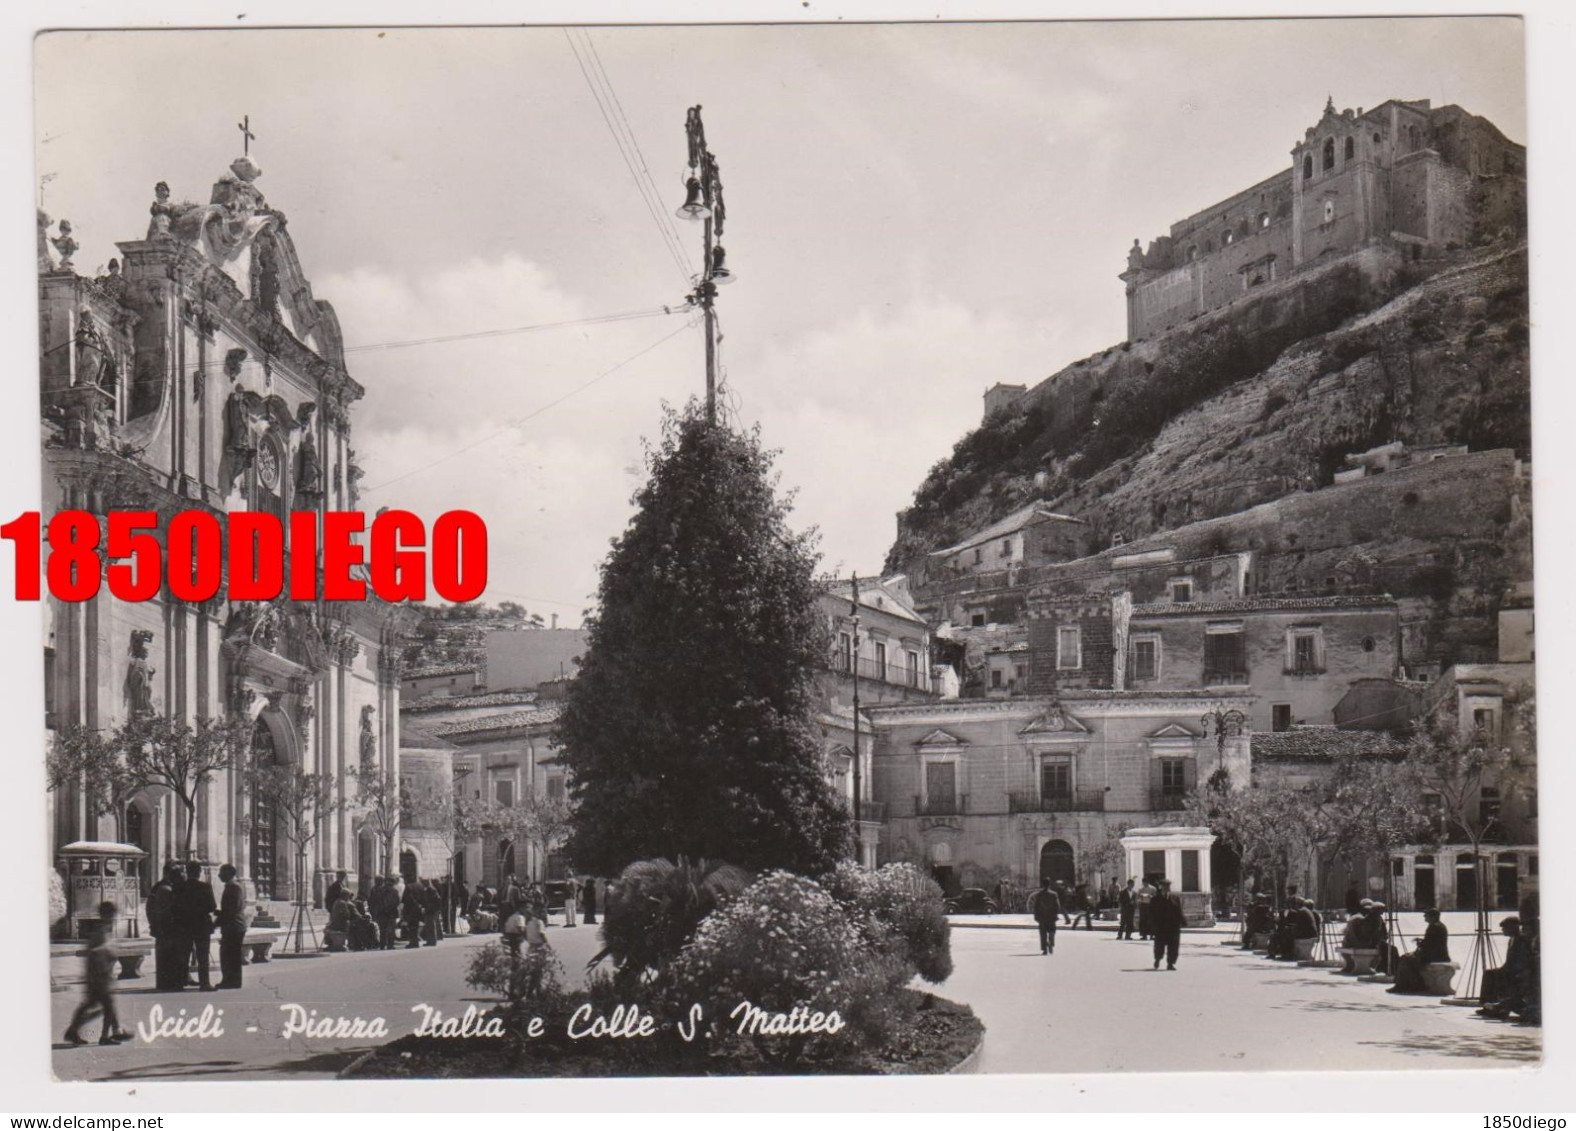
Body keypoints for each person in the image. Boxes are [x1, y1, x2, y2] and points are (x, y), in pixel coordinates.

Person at [63, 902, 130, 1046]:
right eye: (112, 914)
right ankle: (107, 1035)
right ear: (106, 915)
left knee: (96, 1005)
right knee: (107, 1004)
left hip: (101, 975)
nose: (114, 917)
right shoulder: (100, 931)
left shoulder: (105, 929)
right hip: (99, 976)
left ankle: (75, 1031)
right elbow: (95, 951)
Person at [174, 861, 217, 991]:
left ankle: (180, 982)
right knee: (203, 956)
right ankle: (205, 983)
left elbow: (175, 906)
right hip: (202, 925)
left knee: (184, 955)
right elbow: (212, 906)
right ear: (199, 872)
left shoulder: (179, 887)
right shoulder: (205, 887)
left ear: (187, 871)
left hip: (184, 925)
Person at [1478, 916, 1533, 1016]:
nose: (1503, 930)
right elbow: (1509, 961)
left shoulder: (1521, 940)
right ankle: (1486, 1005)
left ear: (1513, 927)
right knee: (1489, 974)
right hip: (1510, 970)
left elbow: (1522, 961)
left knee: (1494, 976)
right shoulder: (1511, 940)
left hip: (1517, 973)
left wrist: (1507, 971)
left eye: (1505, 928)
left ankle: (1499, 1008)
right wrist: (1502, 969)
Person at [1389, 908, 1451, 994]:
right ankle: (1406, 984)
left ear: (1433, 917)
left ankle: (1408, 984)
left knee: (1405, 959)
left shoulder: (1434, 927)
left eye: (1426, 915)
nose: (1424, 917)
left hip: (1435, 956)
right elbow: (1431, 941)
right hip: (1437, 954)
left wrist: (1420, 944)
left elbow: (1430, 944)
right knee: (1406, 958)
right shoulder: (1438, 926)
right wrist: (1421, 942)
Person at [147, 861, 183, 991]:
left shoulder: (159, 887)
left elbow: (149, 908)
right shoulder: (165, 889)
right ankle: (170, 983)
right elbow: (171, 910)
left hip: (161, 927)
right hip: (167, 928)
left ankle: (166, 982)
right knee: (168, 955)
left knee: (165, 956)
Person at [216, 864, 246, 989]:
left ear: (229, 874)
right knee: (230, 954)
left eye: (221, 872)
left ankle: (231, 980)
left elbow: (232, 909)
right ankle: (231, 980)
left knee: (229, 954)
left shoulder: (234, 887)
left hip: (234, 926)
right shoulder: (231, 887)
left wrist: (216, 922)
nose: (219, 875)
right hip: (233, 925)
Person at [1149, 878, 1184, 971]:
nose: (1167, 888)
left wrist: (1182, 921)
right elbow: (1151, 914)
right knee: (1159, 945)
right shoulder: (1155, 899)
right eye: (1165, 886)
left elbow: (1179, 911)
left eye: (1168, 886)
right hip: (1161, 927)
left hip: (1173, 926)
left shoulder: (1175, 898)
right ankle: (1157, 959)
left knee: (1174, 946)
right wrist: (1153, 926)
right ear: (1161, 887)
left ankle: (1170, 963)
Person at [1030, 877, 1062, 955]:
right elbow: (1057, 906)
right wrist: (1056, 914)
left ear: (1042, 884)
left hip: (1042, 917)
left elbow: (1036, 906)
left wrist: (1036, 916)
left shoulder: (1039, 895)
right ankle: (1051, 940)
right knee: (1052, 930)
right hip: (1051, 916)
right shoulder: (1054, 894)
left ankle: (1044, 949)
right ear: (1049, 884)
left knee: (1043, 933)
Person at [402, 877, 425, 949]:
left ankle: (413, 942)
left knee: (411, 926)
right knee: (416, 925)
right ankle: (415, 941)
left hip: (410, 909)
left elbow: (405, 898)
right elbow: (423, 897)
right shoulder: (420, 886)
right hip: (418, 909)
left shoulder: (408, 887)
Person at [421, 878, 444, 945]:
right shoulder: (431, 889)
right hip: (431, 910)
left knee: (430, 925)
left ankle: (431, 941)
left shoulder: (430, 890)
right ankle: (431, 940)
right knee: (430, 925)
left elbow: (435, 900)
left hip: (431, 910)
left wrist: (429, 907)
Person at [1137, 876, 1157, 941]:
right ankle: (1144, 935)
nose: (1144, 884)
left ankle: (1152, 935)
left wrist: (1150, 896)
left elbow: (1155, 897)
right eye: (1143, 883)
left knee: (1151, 921)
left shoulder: (1152, 888)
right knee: (1143, 921)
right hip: (1143, 905)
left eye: (1146, 882)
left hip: (1150, 905)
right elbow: (1138, 897)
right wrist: (1140, 897)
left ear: (1148, 882)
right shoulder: (1140, 889)